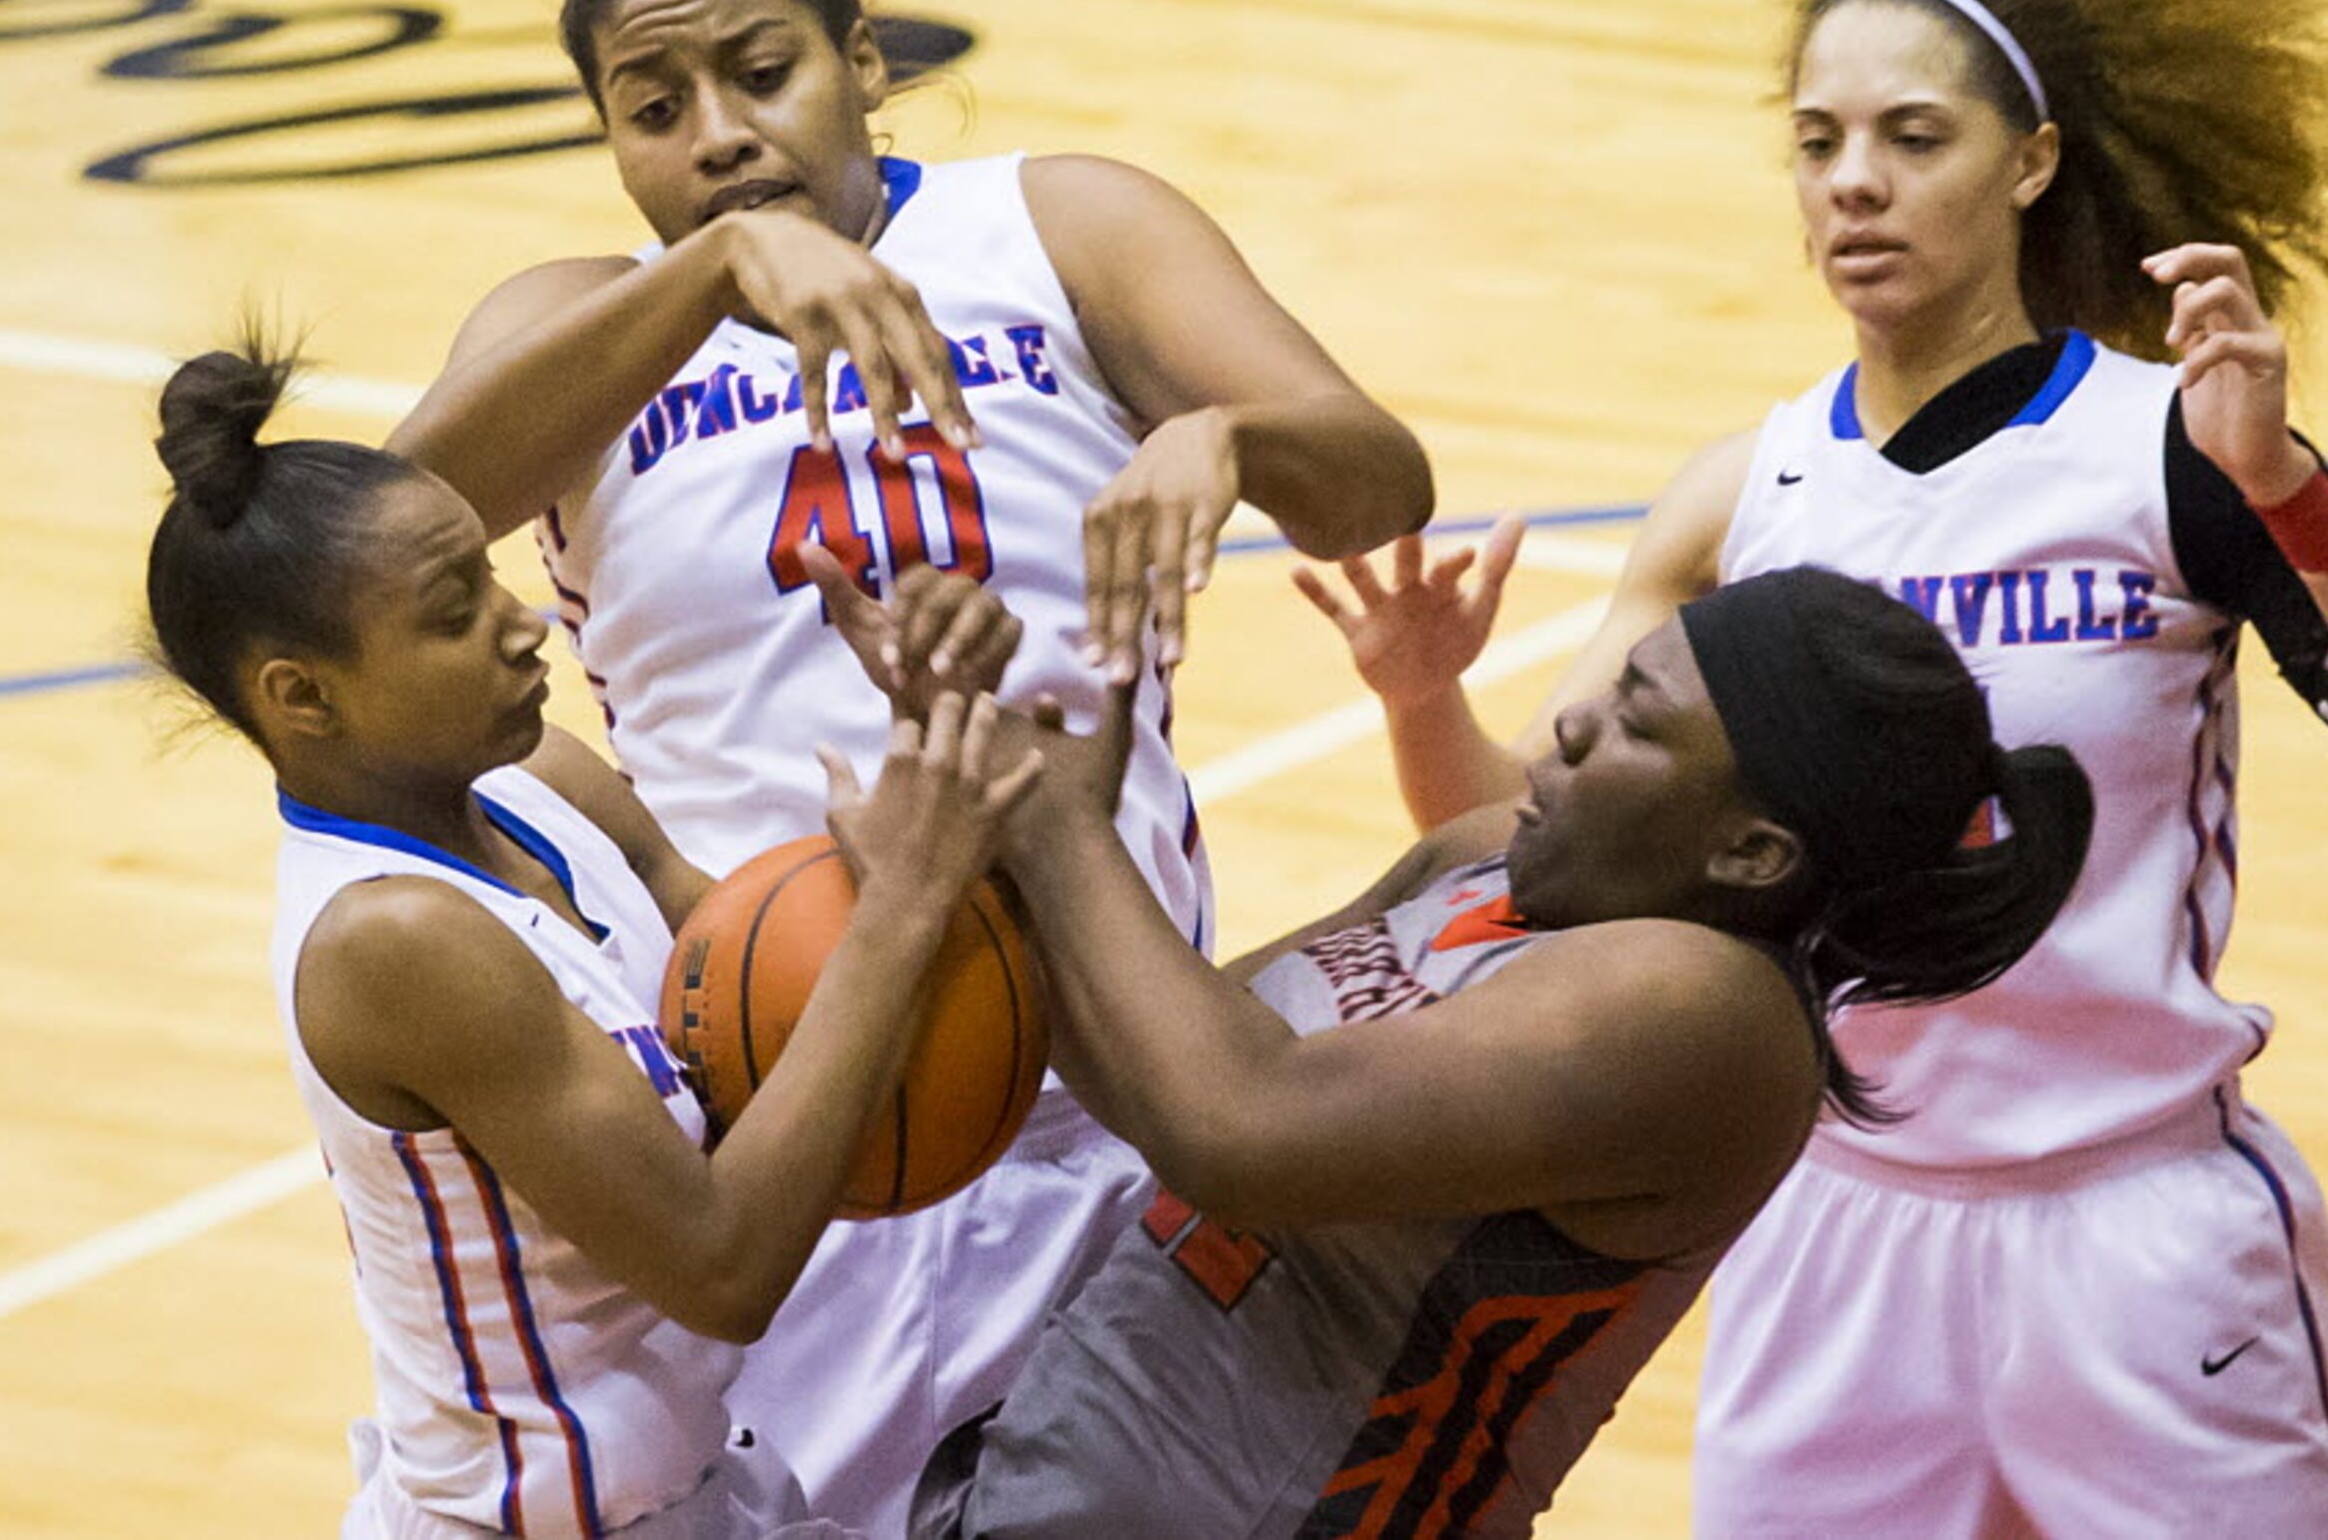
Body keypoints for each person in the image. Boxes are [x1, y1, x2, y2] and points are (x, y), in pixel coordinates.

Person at [1297, 0, 2328, 1537]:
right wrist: (1421, 696)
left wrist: (2290, 493)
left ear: (2030, 162)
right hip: (1831, 1222)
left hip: (2145, 1231)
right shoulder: (1744, 496)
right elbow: (1540, 849)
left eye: (1909, 136)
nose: (1851, 184)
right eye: (1817, 143)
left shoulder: (2163, 452)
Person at [383, 0, 1432, 1529]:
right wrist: (707, 274)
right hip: (781, 1109)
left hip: (1113, 1082)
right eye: (655, 106)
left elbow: (1377, 474)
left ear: (865, 59)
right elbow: (390, 534)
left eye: (762, 72)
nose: (717, 132)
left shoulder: (1062, 223)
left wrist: (1231, 440)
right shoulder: (575, 326)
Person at [777, 549, 2091, 1540]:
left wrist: (1051, 816)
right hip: (1054, 1468)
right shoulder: (1482, 861)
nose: (1571, 721)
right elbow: (1162, 1058)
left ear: (1748, 851)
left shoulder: (1711, 1016)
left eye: (1641, 722)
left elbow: (1238, 1125)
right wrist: (960, 783)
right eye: (1617, 684)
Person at [144, 342, 1045, 1537]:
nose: (524, 628)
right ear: (303, 699)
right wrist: (897, 918)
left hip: (694, 1490)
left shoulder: (538, 782)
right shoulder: (394, 941)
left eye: (497, 577)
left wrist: (932, 730)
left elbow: (773, 996)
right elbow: (724, 1265)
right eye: (455, 612)